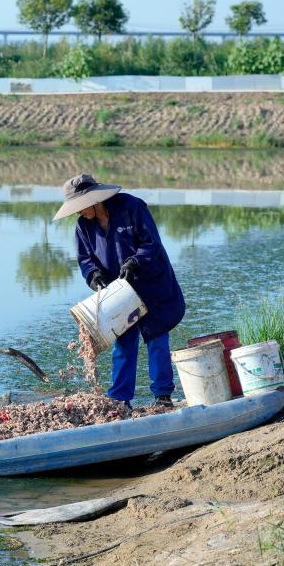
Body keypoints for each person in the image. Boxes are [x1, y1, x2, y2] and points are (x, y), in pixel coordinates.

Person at [53, 173, 185, 408]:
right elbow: (85, 259)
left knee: (156, 339)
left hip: (151, 284)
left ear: (94, 200)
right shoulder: (83, 226)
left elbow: (152, 242)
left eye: (80, 207)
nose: (78, 212)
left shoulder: (132, 207)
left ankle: (162, 396)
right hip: (119, 293)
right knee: (123, 343)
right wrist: (94, 275)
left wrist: (136, 261)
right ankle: (121, 399)